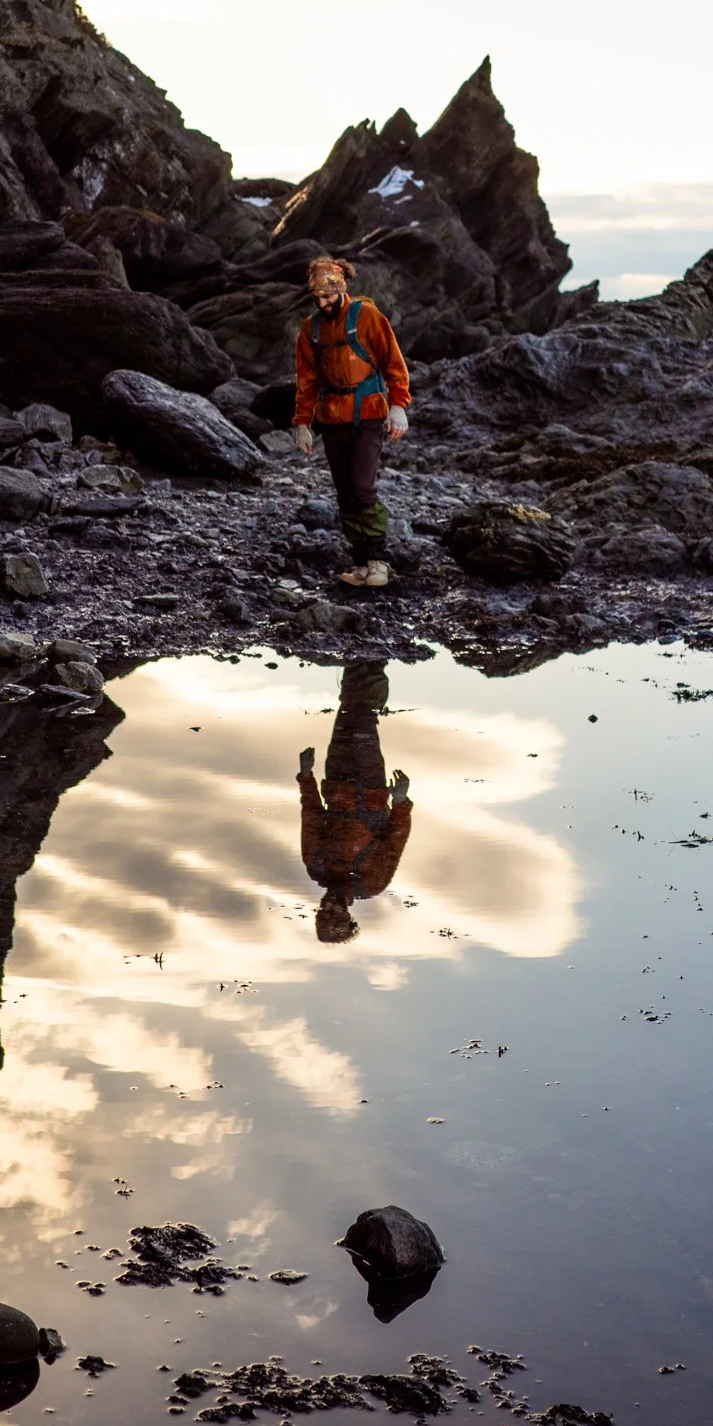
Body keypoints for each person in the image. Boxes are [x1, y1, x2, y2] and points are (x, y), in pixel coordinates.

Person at [290, 256, 410, 589]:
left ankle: (378, 560)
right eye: (317, 298)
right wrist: (302, 424)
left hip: (369, 413)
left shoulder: (368, 317)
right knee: (345, 492)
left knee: (362, 485)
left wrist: (398, 405)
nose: (323, 303)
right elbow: (307, 380)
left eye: (328, 296)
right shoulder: (310, 329)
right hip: (332, 419)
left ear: (341, 289)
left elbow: (394, 363)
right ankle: (360, 563)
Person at [297, 662, 412, 944]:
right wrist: (400, 801)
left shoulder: (316, 867)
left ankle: (356, 654)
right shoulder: (372, 883)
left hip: (335, 779)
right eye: (333, 913)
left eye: (321, 911)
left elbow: (312, 816)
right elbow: (394, 839)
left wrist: (306, 776)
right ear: (348, 916)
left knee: (347, 710)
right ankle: (374, 656)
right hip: (370, 784)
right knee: (363, 718)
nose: (326, 905)